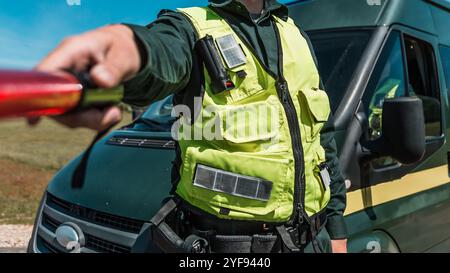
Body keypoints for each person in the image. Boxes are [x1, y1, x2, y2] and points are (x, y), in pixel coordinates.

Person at [35, 0, 348, 253]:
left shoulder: (296, 35)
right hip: (224, 246)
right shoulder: (190, 26)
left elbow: (323, 138)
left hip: (310, 238)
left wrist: (336, 228)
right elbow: (160, 54)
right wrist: (125, 47)